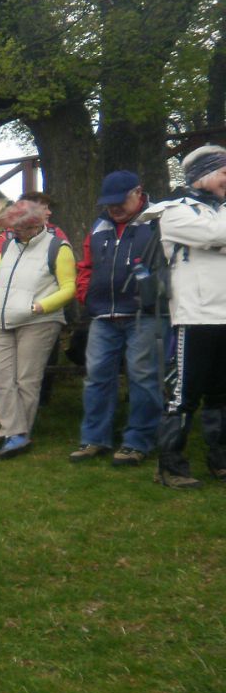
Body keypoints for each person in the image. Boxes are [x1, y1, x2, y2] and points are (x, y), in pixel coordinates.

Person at [142, 145, 226, 489]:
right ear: (203, 175)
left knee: (222, 395)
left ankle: (220, 461)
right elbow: (215, 235)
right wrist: (216, 240)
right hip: (195, 316)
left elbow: (214, 236)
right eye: (224, 173)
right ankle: (170, 467)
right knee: (183, 395)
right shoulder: (174, 211)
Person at [71, 170, 166, 466]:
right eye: (109, 202)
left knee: (144, 377)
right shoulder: (99, 225)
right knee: (96, 376)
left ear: (138, 193)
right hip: (103, 314)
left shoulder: (160, 220)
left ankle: (138, 441)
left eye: (120, 201)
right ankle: (94, 438)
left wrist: (158, 294)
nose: (114, 207)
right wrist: (86, 294)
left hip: (145, 314)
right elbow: (86, 265)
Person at [0, 199, 76, 459]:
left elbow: (69, 288)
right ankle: (13, 430)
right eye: (12, 228)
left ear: (35, 225)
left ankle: (16, 435)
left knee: (26, 379)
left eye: (20, 229)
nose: (14, 233)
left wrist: (40, 307)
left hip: (39, 321)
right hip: (2, 321)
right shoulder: (8, 246)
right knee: (0, 377)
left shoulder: (58, 248)